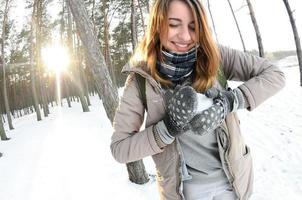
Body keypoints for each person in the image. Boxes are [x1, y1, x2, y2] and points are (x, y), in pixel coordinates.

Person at [110, 0, 285, 199]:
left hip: (234, 183)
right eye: (174, 24)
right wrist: (167, 128)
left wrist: (229, 102)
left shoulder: (214, 56)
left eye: (193, 27)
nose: (185, 36)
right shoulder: (140, 80)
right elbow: (120, 149)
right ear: (157, 25)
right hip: (184, 192)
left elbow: (274, 75)